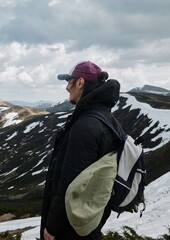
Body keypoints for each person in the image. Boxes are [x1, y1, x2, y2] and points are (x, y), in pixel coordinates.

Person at [40, 61, 121, 240]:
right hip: (88, 220)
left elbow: (68, 181)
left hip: (70, 229)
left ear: (81, 83)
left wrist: (52, 227)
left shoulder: (85, 126)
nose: (67, 87)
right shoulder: (107, 120)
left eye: (70, 82)